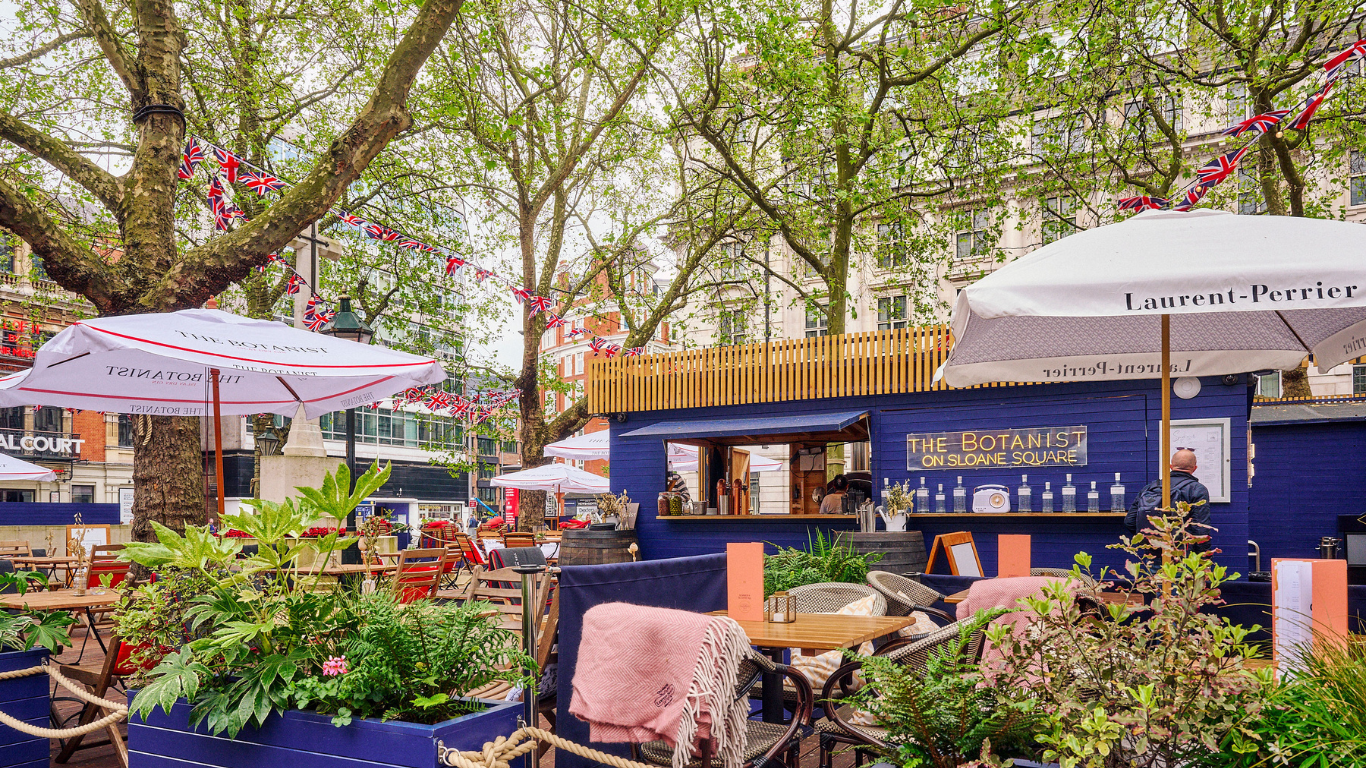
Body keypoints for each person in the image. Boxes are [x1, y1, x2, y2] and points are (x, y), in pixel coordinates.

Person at [1125, 448, 1212, 552]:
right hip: (1182, 553)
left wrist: (1152, 540)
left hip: (1153, 552)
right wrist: (1204, 559)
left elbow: (1129, 521)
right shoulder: (1197, 489)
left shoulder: (1150, 487)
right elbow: (1201, 530)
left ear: (1171, 466)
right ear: (1195, 468)